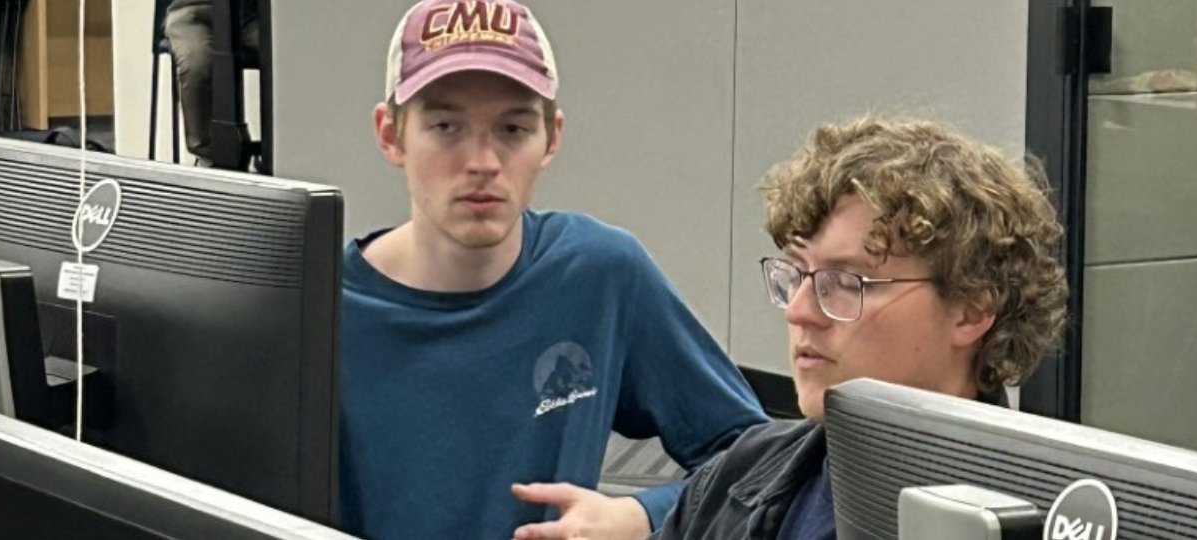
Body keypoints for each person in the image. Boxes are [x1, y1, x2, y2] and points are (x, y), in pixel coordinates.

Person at [342, 1, 769, 539]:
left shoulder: (598, 274)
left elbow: (757, 462)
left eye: (513, 128)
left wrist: (637, 516)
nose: (483, 161)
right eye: (446, 125)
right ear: (390, 134)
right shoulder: (318, 309)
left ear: (552, 137)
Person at [648, 116, 1070, 539]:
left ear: (971, 311)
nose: (798, 311)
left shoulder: (1048, 521)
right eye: (796, 273)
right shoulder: (736, 479)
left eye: (845, 283)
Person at [162, 0, 261, 168]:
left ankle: (279, 150)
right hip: (192, 12)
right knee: (197, 63)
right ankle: (208, 155)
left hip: (251, 15)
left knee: (290, 51)